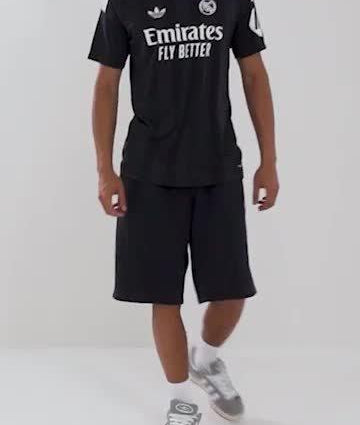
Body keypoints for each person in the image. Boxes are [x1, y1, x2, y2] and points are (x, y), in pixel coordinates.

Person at [89, 0, 277, 423]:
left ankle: (206, 360)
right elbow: (106, 85)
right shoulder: (123, 6)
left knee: (233, 291)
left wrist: (269, 161)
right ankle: (181, 399)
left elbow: (254, 74)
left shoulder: (233, 3)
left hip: (218, 168)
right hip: (148, 174)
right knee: (164, 296)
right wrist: (104, 171)